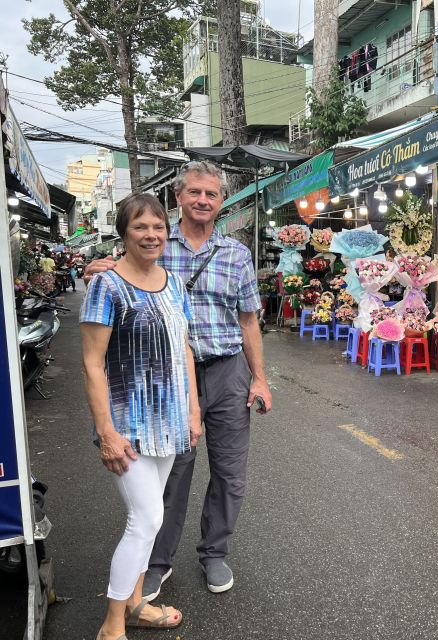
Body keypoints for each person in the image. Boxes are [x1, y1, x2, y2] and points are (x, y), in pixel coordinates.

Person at [85, 160, 272, 598]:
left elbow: (249, 322)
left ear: (222, 201)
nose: (203, 200)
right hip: (169, 377)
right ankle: (157, 559)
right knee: (172, 472)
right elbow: (123, 273)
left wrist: (259, 378)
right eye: (194, 193)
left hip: (228, 372)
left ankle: (214, 553)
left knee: (230, 473)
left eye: (211, 194)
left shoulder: (237, 254)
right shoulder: (154, 242)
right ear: (178, 197)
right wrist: (102, 268)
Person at [80, 194, 202, 640]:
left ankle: (135, 603)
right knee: (147, 519)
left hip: (170, 420)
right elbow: (92, 363)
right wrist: (106, 432)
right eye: (140, 228)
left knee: (151, 516)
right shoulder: (106, 286)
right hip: (127, 424)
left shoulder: (173, 283)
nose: (151, 235)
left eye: (157, 227)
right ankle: (112, 627)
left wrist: (192, 410)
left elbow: (183, 347)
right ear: (124, 234)